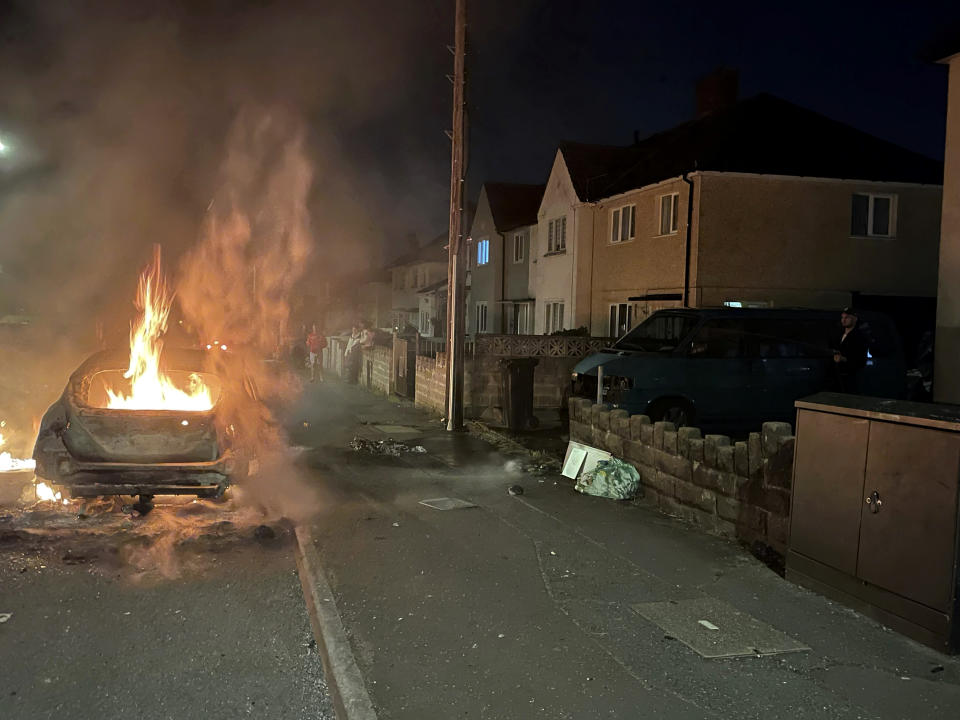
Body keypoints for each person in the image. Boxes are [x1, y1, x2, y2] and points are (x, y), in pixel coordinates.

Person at [833, 307, 867, 393]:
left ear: (855, 319)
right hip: (837, 375)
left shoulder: (859, 337)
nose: (843, 320)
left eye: (847, 317)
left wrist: (843, 359)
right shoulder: (839, 334)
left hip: (851, 377)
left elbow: (860, 359)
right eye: (842, 317)